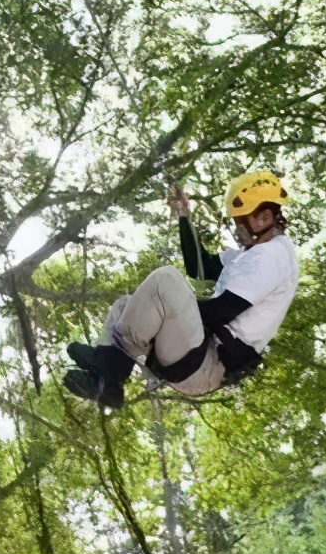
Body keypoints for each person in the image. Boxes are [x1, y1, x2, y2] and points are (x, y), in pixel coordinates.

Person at [64, 170, 299, 408]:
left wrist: (165, 310)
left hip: (207, 363)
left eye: (240, 221)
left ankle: (111, 368)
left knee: (164, 281)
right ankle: (104, 384)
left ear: (264, 218)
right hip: (194, 353)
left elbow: (219, 312)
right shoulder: (251, 254)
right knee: (126, 306)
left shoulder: (273, 255)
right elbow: (200, 267)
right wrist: (183, 216)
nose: (237, 229)